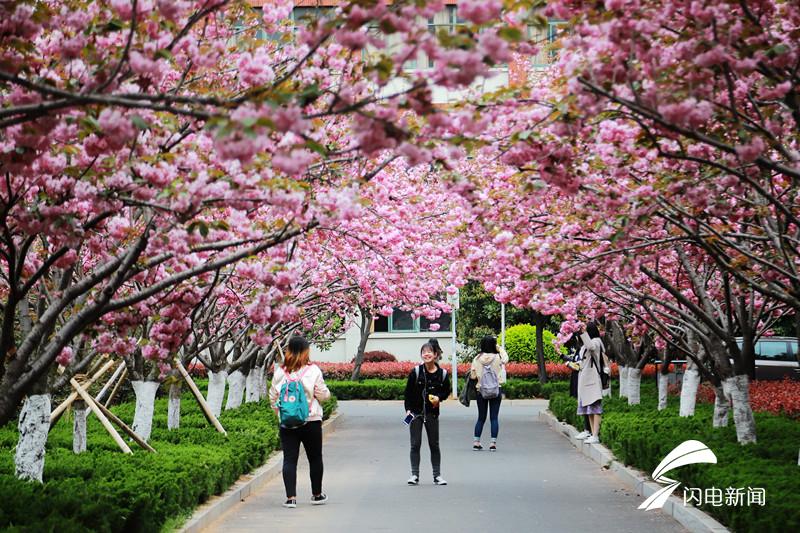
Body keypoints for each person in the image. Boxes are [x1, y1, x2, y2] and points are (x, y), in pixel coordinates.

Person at [269, 336, 331, 508]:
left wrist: (282, 414)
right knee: (315, 458)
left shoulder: (280, 371)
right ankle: (317, 495)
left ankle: (291, 498)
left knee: (289, 459)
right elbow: (323, 395)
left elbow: (273, 397)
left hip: (288, 423)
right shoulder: (313, 370)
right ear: (306, 351)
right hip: (311, 420)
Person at [404, 341, 451, 486]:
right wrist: (408, 410)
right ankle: (414, 475)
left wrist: (439, 398)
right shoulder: (416, 372)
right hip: (416, 414)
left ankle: (437, 476)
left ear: (436, 355)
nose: (426, 354)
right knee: (415, 444)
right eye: (424, 352)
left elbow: (446, 391)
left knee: (434, 445)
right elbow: (408, 393)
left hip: (432, 414)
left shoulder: (442, 374)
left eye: (429, 351)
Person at [470, 335, 509, 451]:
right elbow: (506, 359)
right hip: (496, 390)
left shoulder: (476, 358)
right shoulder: (498, 357)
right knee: (494, 418)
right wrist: (499, 348)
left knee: (481, 418)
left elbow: (472, 376)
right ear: (493, 345)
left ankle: (476, 442)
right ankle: (493, 444)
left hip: (480, 391)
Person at [576, 322, 605, 444]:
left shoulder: (597, 342)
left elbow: (591, 347)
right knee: (589, 408)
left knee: (595, 407)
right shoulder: (586, 344)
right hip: (585, 378)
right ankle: (591, 433)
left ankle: (595, 434)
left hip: (592, 379)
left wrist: (583, 333)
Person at [562, 333, 593, 440]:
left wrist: (570, 364)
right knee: (581, 402)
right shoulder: (580, 349)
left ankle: (589, 430)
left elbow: (579, 364)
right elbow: (577, 362)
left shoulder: (587, 348)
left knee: (586, 404)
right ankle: (587, 429)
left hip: (584, 379)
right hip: (578, 378)